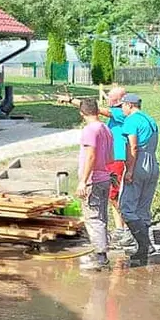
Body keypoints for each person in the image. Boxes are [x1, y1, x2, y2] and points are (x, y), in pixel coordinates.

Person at [63, 87, 132, 249]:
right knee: (107, 204)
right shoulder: (106, 127)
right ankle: (119, 230)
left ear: (118, 100)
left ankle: (123, 234)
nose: (107, 98)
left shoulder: (119, 113)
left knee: (107, 204)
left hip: (114, 162)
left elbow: (94, 110)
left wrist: (71, 100)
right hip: (109, 164)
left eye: (110, 96)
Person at [119, 93, 159, 266]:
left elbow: (133, 146)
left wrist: (129, 170)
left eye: (122, 105)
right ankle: (142, 251)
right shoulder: (150, 120)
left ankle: (145, 246)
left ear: (129, 105)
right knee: (143, 209)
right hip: (153, 163)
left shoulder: (131, 120)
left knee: (126, 208)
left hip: (139, 163)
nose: (122, 109)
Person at [76, 99, 114, 270]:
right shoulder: (106, 128)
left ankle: (100, 257)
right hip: (105, 177)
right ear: (97, 111)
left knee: (93, 218)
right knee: (102, 216)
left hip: (94, 180)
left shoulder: (89, 130)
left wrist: (83, 181)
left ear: (81, 113)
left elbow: (90, 156)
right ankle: (100, 251)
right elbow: (110, 157)